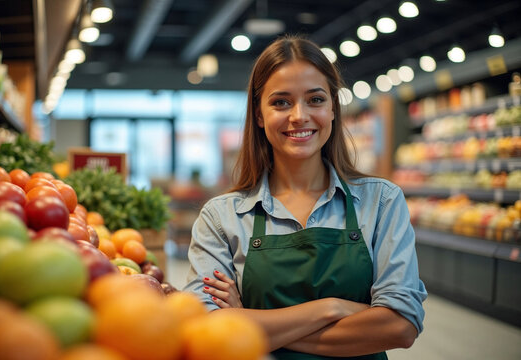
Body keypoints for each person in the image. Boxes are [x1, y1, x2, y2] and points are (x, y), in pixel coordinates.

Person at [183, 34, 427, 359]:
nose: (299, 116)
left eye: (315, 99)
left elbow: (400, 327)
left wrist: (247, 324)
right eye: (281, 102)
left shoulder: (381, 202)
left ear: (333, 109)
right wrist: (333, 309)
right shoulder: (221, 216)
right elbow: (208, 330)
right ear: (259, 115)